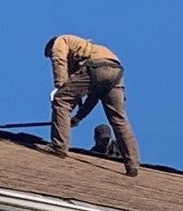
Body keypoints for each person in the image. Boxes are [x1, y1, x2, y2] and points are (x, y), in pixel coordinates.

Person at [46, 34, 139, 175]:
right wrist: (78, 117)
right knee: (119, 119)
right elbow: (93, 96)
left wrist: (59, 86)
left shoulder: (60, 41)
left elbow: (59, 60)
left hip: (96, 67)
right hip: (115, 71)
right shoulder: (86, 50)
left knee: (61, 100)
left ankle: (58, 146)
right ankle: (132, 165)